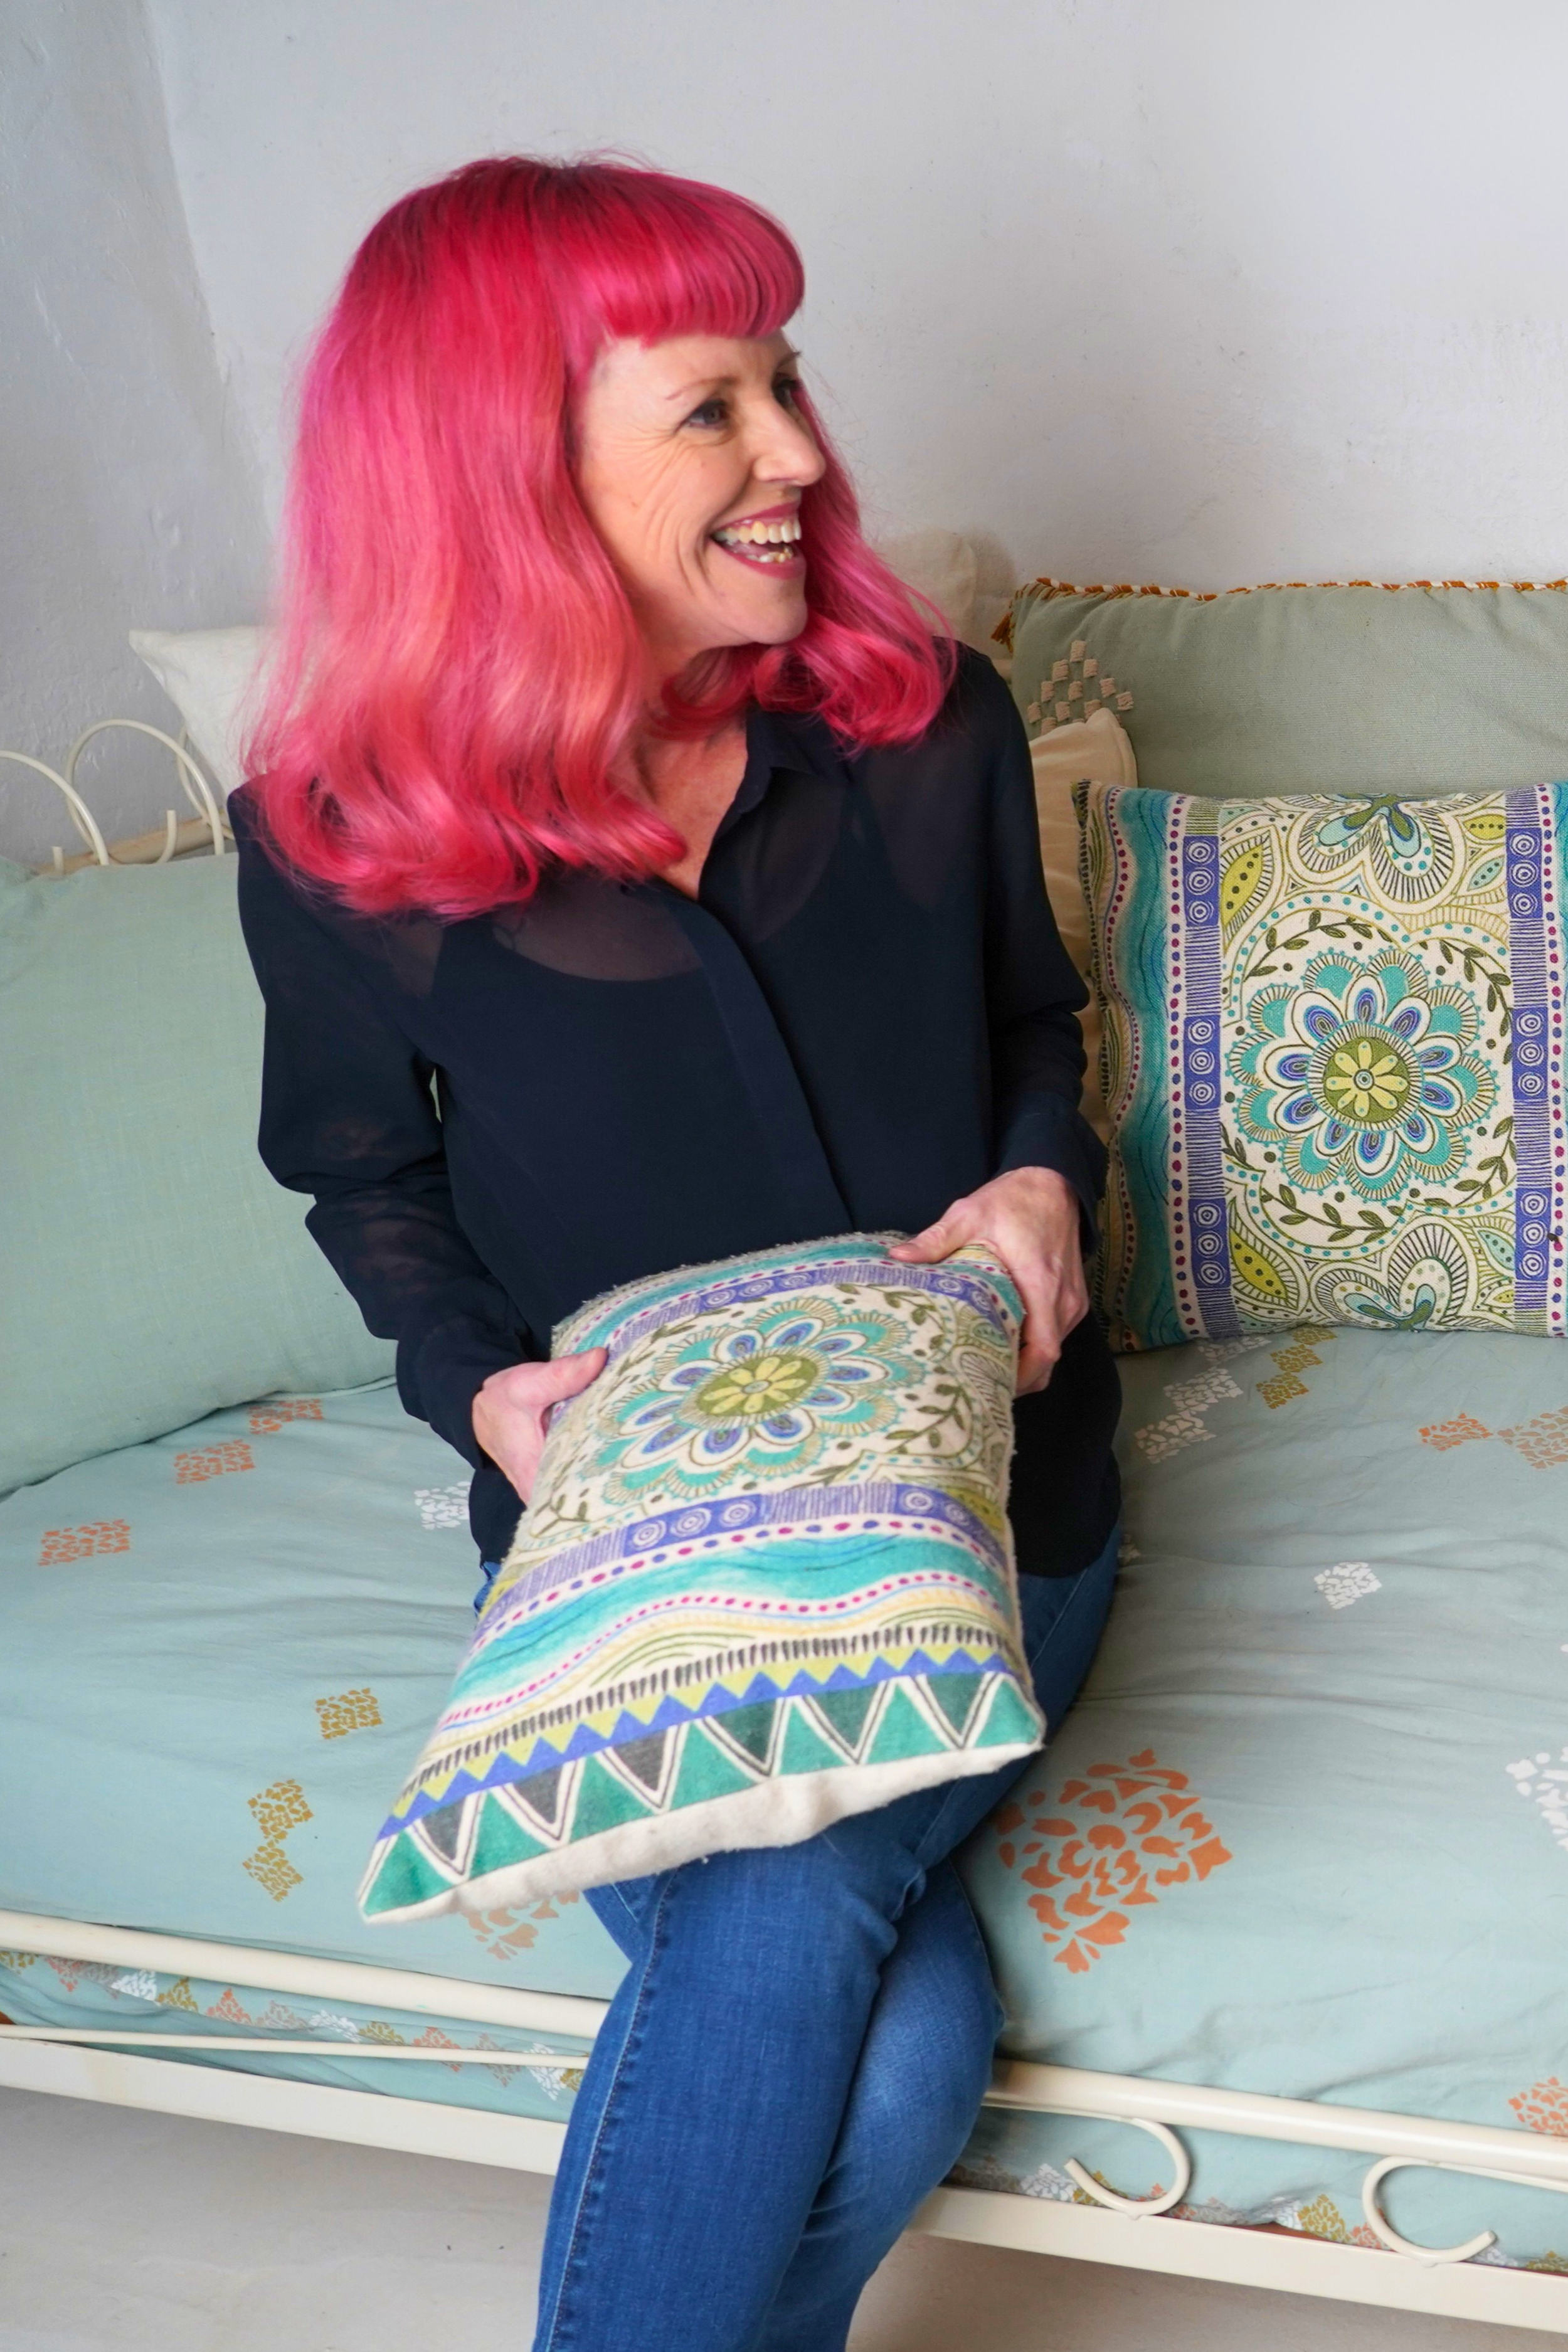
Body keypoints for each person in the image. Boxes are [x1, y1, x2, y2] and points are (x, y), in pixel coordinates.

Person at [232, 154, 1121, 2352]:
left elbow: (1032, 1022)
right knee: (901, 2051)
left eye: (786, 381)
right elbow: (365, 1178)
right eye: (713, 405)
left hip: (983, 1501)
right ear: (500, 463)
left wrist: (1036, 1183)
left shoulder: (927, 734)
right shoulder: (330, 839)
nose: (800, 454)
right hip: (625, 1533)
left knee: (803, 1886)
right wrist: (484, 1389)